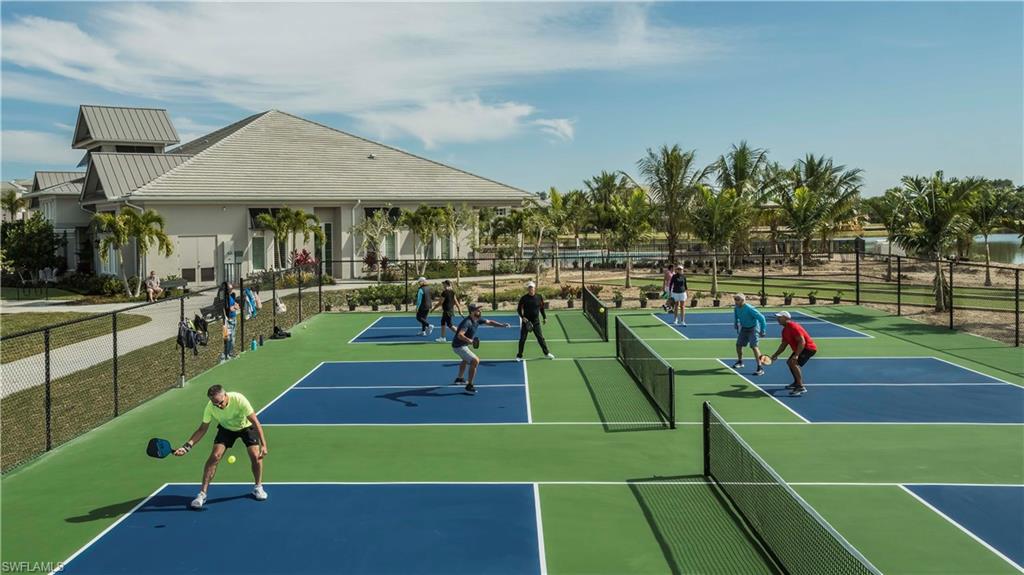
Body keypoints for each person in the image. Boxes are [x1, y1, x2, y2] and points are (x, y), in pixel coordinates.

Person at [174, 385, 269, 509]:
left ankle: (258, 487)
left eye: (220, 402)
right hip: (226, 428)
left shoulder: (239, 399)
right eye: (215, 404)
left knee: (256, 456)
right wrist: (186, 447)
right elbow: (202, 429)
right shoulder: (210, 407)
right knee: (215, 456)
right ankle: (202, 494)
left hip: (246, 427)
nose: (218, 406)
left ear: (225, 395)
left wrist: (264, 445)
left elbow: (255, 422)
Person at [452, 304, 511, 394]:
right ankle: (469, 385)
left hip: (462, 344)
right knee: (475, 361)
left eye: (479, 309)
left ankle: (459, 379)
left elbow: (490, 322)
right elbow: (460, 335)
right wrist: (470, 340)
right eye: (477, 310)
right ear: (472, 312)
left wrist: (502, 325)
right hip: (458, 346)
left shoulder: (477, 319)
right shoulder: (467, 322)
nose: (480, 311)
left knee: (465, 359)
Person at [768, 310, 818, 396]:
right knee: (789, 362)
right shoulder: (784, 330)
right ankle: (796, 382)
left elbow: (802, 341)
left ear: (786, 318)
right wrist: (775, 355)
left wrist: (796, 355)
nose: (777, 319)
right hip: (801, 348)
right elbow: (783, 345)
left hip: (808, 348)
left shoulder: (793, 326)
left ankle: (800, 387)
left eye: (780, 317)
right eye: (777, 317)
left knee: (793, 363)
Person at [516, 281, 555, 361]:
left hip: (536, 321)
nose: (530, 289)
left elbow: (542, 308)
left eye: (532, 287)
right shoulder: (524, 298)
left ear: (534, 288)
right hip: (526, 322)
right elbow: (519, 309)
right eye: (529, 287)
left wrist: (544, 317)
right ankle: (519, 355)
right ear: (528, 289)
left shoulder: (539, 297)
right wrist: (522, 317)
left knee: (540, 338)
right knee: (522, 339)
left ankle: (546, 353)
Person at [732, 293, 768, 376]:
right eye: (735, 300)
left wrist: (763, 330)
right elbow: (736, 315)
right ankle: (740, 362)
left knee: (754, 347)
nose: (736, 301)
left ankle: (760, 368)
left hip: (753, 328)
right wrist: (736, 323)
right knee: (738, 345)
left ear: (742, 300)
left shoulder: (749, 308)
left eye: (737, 300)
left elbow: (762, 318)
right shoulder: (736, 308)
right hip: (744, 328)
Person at [220, 282, 241, 362]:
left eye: (232, 288)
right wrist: (233, 307)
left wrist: (234, 306)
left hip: (234, 319)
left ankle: (230, 353)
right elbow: (229, 309)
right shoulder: (225, 298)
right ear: (227, 289)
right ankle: (226, 354)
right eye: (230, 289)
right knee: (227, 338)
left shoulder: (231, 296)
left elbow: (236, 306)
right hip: (227, 321)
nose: (232, 290)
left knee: (233, 338)